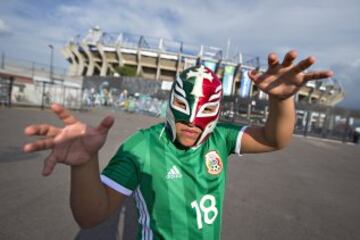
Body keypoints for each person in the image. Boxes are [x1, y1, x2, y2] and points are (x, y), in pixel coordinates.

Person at [23, 50, 333, 239]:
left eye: (203, 117)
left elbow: (275, 139)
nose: (193, 124)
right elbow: (91, 216)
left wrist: (283, 100)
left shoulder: (219, 137)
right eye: (184, 113)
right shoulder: (141, 147)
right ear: (171, 104)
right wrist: (84, 164)